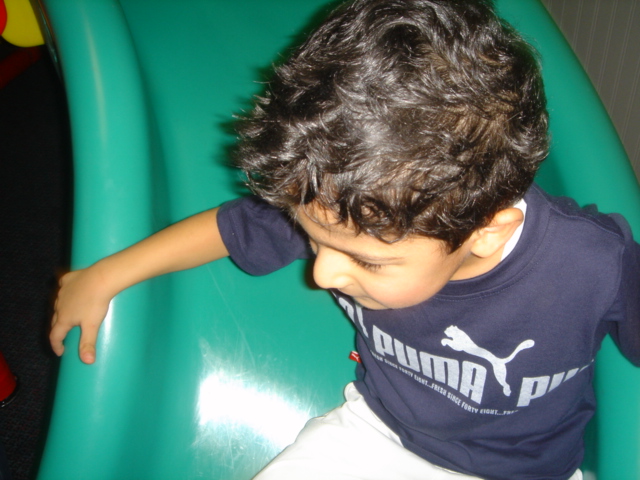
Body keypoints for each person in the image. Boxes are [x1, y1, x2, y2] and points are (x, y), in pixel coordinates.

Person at [49, 0, 640, 479]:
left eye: (366, 262)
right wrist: (105, 275)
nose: (323, 274)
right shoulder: (339, 201)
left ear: (486, 233)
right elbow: (229, 229)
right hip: (377, 435)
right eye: (315, 241)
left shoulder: (592, 264)